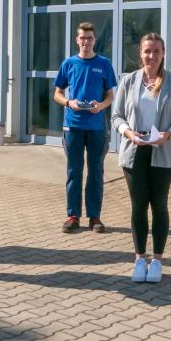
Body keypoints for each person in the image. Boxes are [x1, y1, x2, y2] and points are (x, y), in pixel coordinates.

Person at [111, 33, 171, 283]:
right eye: (147, 51)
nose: (151, 56)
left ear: (163, 53)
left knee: (160, 205)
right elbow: (116, 116)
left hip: (162, 151)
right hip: (134, 151)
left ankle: (157, 260)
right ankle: (139, 259)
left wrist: (169, 134)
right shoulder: (128, 81)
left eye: (156, 51)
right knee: (138, 206)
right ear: (140, 54)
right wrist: (128, 132)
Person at [54, 22, 118, 233]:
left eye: (89, 38)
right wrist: (69, 103)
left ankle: (94, 217)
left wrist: (100, 106)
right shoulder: (69, 63)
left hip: (96, 127)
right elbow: (57, 94)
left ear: (94, 40)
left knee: (96, 172)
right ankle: (73, 216)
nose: (86, 41)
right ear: (77, 39)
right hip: (72, 126)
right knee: (74, 172)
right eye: (82, 38)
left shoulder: (104, 63)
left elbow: (110, 96)